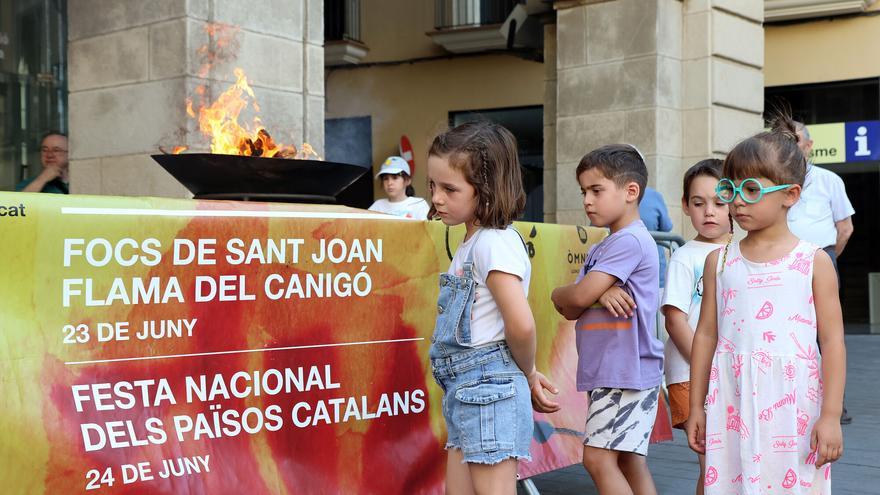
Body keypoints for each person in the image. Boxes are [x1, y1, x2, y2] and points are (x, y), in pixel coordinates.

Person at [686, 114, 846, 494]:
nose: (737, 202)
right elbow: (706, 335)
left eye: (752, 190)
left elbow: (834, 342)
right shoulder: (719, 261)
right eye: (731, 189)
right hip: (731, 401)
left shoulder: (813, 261)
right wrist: (696, 407)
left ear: (789, 195)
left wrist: (831, 415)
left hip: (793, 409)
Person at [426, 121, 559, 494]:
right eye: (433, 185)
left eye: (450, 189)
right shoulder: (473, 242)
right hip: (467, 390)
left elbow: (521, 324)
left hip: (489, 387)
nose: (436, 197)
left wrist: (529, 372)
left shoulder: (493, 243)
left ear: (486, 191)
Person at [551, 144, 664, 495]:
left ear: (631, 192)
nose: (587, 200)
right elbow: (576, 299)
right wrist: (592, 292)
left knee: (598, 460)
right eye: (584, 191)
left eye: (596, 190)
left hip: (622, 372)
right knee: (629, 460)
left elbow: (572, 300)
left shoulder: (626, 242)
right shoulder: (609, 243)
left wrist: (579, 292)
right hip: (620, 370)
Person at [661, 159, 730, 495]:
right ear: (686, 206)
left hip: (732, 373)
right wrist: (710, 367)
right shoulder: (685, 257)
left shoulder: (742, 254)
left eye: (719, 202)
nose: (710, 212)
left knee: (730, 464)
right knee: (713, 464)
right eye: (699, 203)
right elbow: (674, 320)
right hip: (693, 375)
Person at [789, 121, 855, 425]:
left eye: (796, 139)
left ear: (809, 145)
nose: (790, 144)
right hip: (782, 263)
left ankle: (834, 404)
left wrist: (824, 262)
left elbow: (845, 228)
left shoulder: (829, 180)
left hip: (821, 258)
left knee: (826, 333)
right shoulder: (772, 181)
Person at [639, 186, 674, 287]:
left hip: (615, 275)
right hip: (653, 272)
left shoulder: (610, 193)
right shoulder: (653, 195)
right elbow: (667, 227)